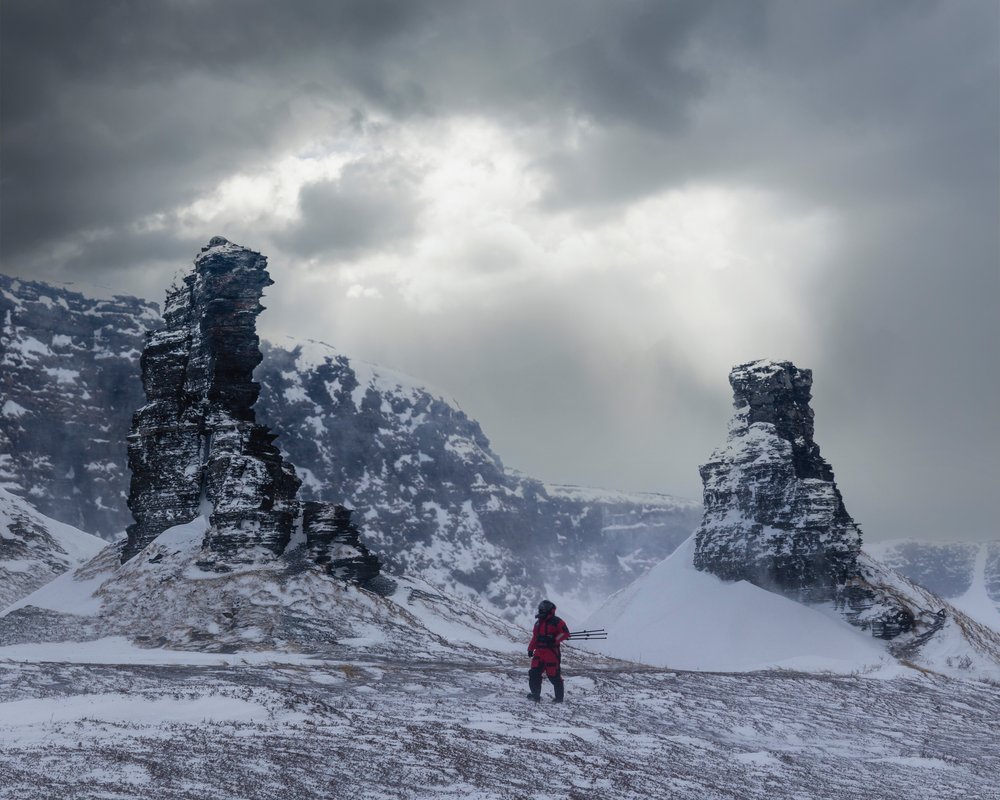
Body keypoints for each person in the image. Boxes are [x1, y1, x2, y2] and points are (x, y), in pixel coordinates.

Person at [527, 599, 570, 703]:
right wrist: (530, 649)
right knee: (534, 673)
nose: (541, 611)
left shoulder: (557, 621)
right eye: (540, 609)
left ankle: (559, 698)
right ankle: (535, 695)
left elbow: (565, 633)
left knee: (554, 676)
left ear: (549, 610)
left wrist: (554, 639)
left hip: (552, 653)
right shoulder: (538, 623)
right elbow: (535, 637)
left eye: (543, 609)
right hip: (539, 653)